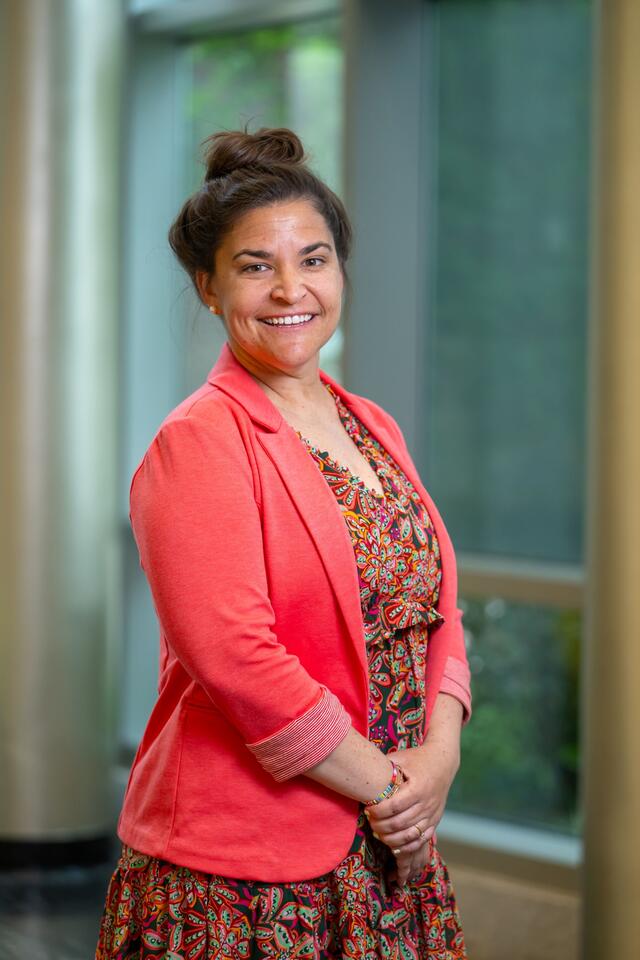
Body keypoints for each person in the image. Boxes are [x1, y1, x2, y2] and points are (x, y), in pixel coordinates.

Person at [96, 127, 472, 959]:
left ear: (340, 271)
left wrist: (438, 757)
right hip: (243, 876)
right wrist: (394, 791)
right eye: (255, 266)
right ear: (208, 286)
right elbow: (238, 660)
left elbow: (438, 608)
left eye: (314, 259)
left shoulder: (370, 424)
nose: (290, 288)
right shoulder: (198, 442)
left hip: (391, 852)